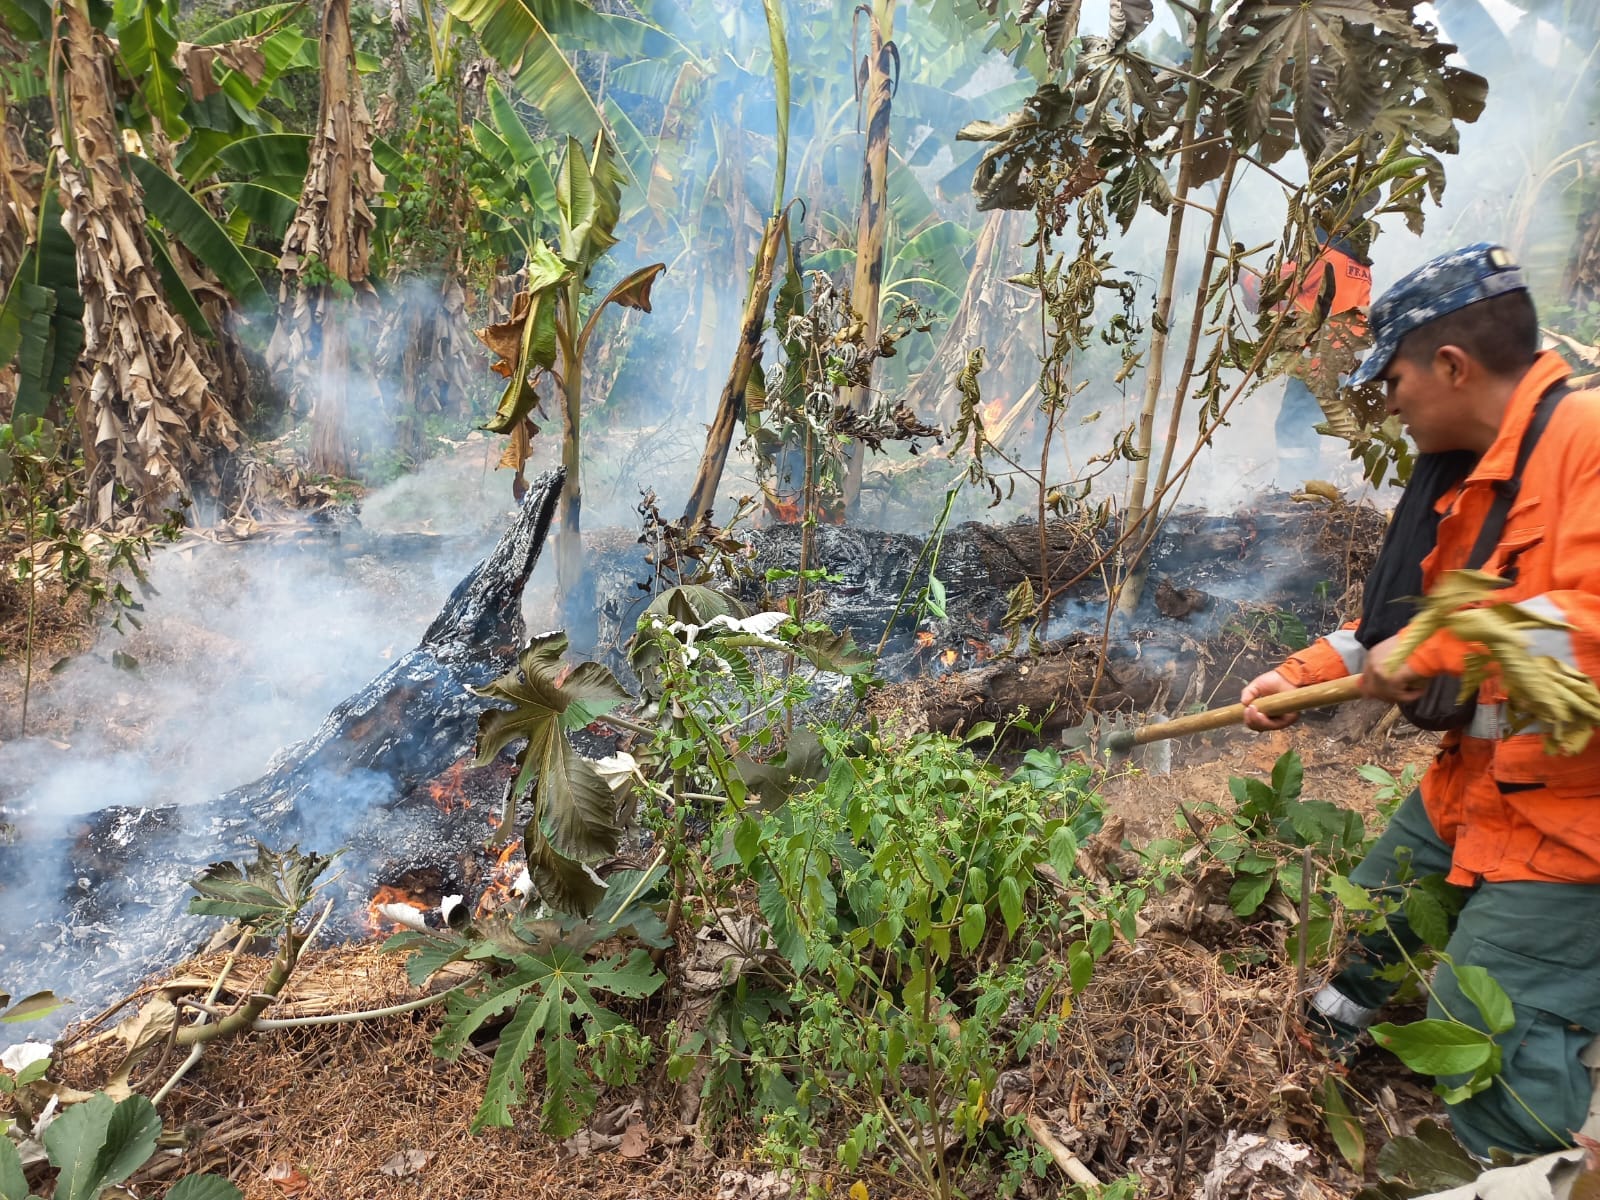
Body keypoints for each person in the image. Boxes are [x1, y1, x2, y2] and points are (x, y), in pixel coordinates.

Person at [1238, 243, 1600, 1160]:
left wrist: (1442, 646)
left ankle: (1518, 1163)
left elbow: (1583, 627)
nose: (1387, 401)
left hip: (1572, 823)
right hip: (1476, 785)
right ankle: (1315, 1051)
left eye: (1393, 378)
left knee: (1486, 1029)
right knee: (1361, 924)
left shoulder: (1588, 444)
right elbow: (1407, 619)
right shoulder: (1477, 470)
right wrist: (1303, 676)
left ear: (1451, 365)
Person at [1245, 230, 1374, 482]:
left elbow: (1269, 288)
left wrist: (1242, 276)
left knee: (1294, 423)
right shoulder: (1358, 262)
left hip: (1317, 357)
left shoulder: (1321, 255)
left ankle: (1293, 485)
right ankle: (1305, 481)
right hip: (1344, 357)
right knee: (1308, 421)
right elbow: (1306, 299)